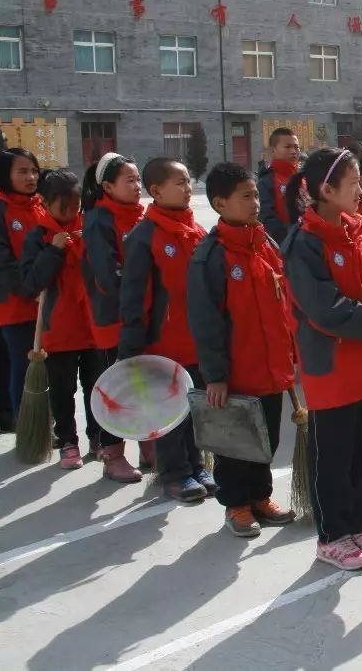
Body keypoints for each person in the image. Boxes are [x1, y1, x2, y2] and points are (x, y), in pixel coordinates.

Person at [282, 148, 362, 570]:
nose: (361, 191)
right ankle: (332, 535)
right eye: (353, 184)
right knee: (333, 455)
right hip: (333, 365)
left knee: (361, 451)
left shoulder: (358, 232)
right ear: (326, 190)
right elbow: (325, 308)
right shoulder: (305, 242)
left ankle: (358, 525)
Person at [187, 163, 297, 537]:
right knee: (236, 442)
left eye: (256, 194)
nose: (256, 202)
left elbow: (283, 303)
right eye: (246, 196)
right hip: (235, 372)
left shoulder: (265, 243)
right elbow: (206, 321)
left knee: (268, 438)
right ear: (220, 203)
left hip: (271, 365)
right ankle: (236, 505)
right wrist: (215, 376)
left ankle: (260, 497)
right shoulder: (210, 256)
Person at [118, 158, 210, 502]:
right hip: (163, 345)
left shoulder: (197, 231)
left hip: (197, 340)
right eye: (181, 183)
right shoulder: (145, 237)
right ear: (155, 191)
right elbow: (134, 298)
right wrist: (131, 350)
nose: (188, 189)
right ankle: (173, 473)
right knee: (170, 412)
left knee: (195, 407)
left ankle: (196, 464)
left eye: (189, 182)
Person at [19, 168, 102, 469]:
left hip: (94, 327)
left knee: (96, 386)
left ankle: (99, 437)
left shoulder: (91, 229)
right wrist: (54, 250)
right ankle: (68, 440)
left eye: (74, 204)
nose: (69, 212)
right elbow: (30, 284)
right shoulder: (38, 236)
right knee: (63, 390)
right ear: (45, 203)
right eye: (62, 206)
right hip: (58, 331)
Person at [80, 153, 147, 481]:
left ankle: (148, 443)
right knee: (117, 386)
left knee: (145, 382)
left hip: (143, 317)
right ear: (107, 186)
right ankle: (113, 452)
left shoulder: (139, 217)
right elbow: (109, 276)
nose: (137, 187)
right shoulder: (98, 221)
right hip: (115, 318)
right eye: (129, 181)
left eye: (138, 180)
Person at [0, 149, 47, 427]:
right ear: (6, 174)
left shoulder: (40, 206)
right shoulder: (1, 209)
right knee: (22, 365)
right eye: (22, 171)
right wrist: (30, 290)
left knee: (43, 364)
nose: (31, 177)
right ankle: (24, 422)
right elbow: (3, 264)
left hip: (45, 302)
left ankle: (43, 421)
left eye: (33, 170)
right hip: (15, 304)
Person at [259, 127, 301, 244]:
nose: (293, 151)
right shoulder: (266, 182)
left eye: (296, 147)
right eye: (288, 147)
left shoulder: (304, 179)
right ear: (273, 151)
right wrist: (291, 241)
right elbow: (267, 219)